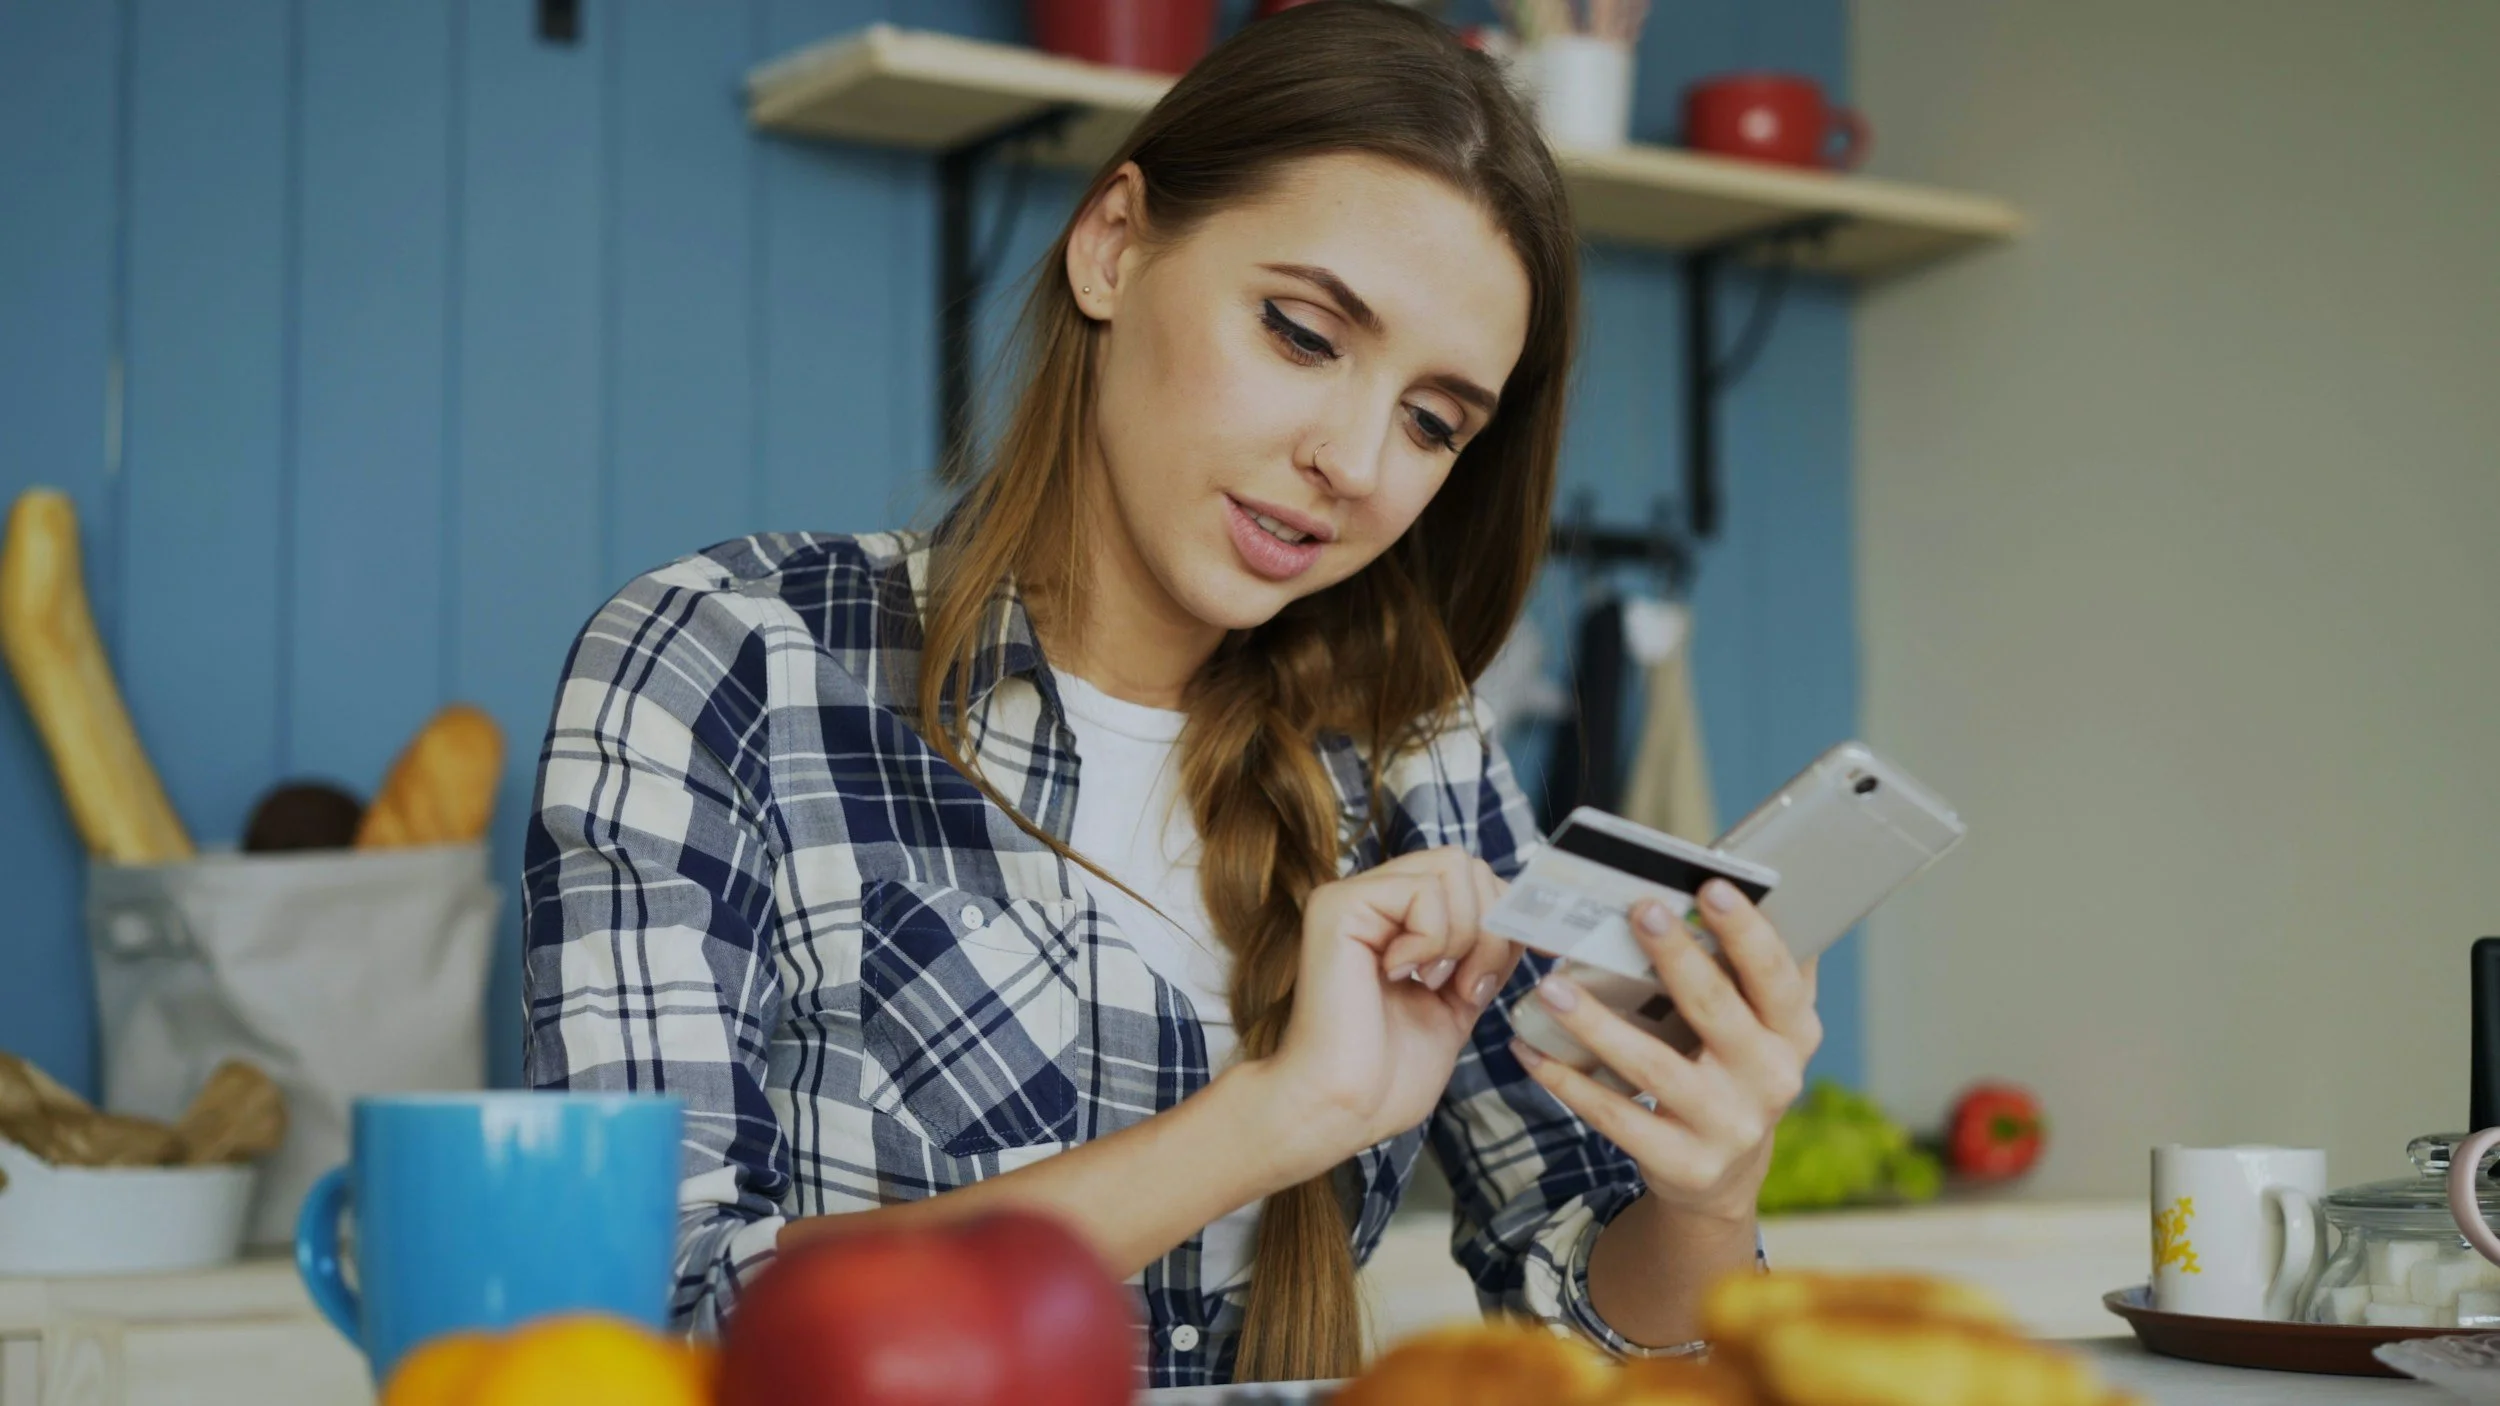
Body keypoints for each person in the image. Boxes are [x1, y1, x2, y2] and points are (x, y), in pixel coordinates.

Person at [522, 1, 1819, 1386]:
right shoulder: (727, 664)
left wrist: (1705, 1193)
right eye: (1305, 334)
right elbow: (644, 1339)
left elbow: (1589, 1332)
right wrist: (1275, 1115)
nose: (1357, 461)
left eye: (1434, 421)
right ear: (1114, 243)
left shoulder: (1411, 744)